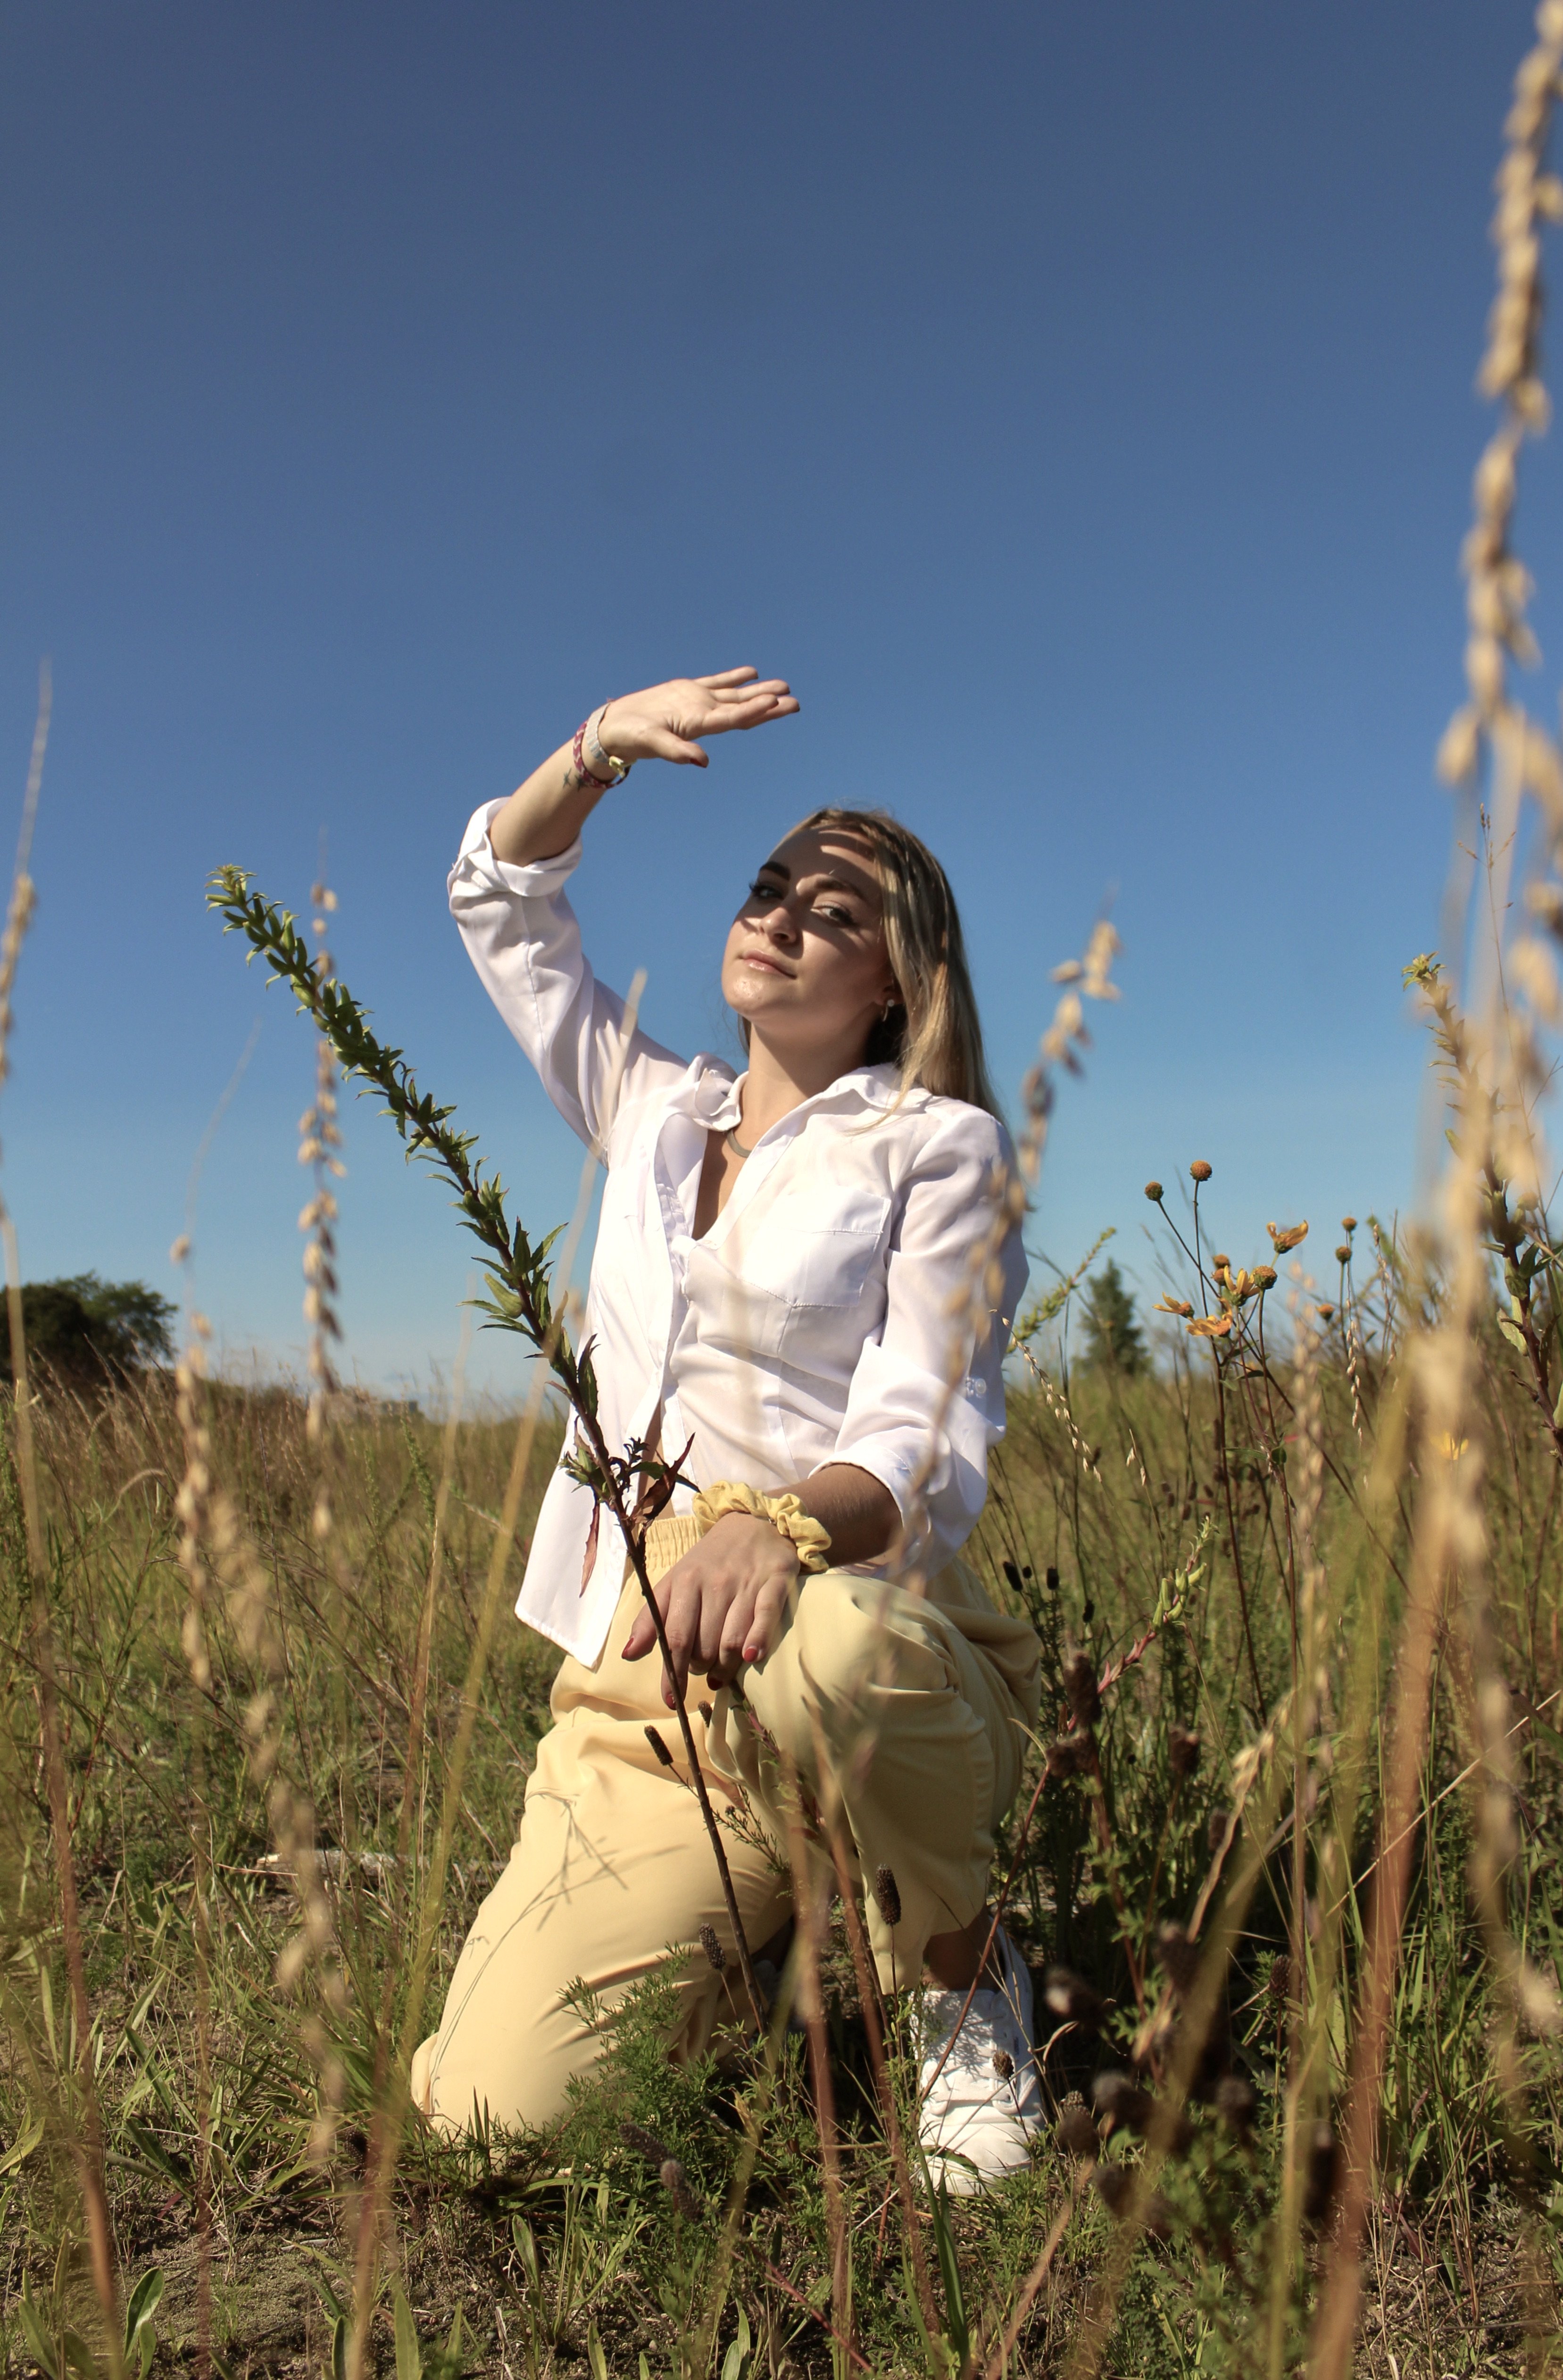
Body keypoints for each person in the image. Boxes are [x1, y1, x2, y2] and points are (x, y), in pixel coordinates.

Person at [412, 668, 1043, 2192]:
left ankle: (961, 1972)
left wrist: (782, 1526)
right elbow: (499, 901)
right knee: (489, 2121)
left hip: (855, 1637)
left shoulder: (933, 1147)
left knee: (827, 1647)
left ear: (894, 976)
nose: (775, 917)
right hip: (649, 1696)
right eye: (768, 888)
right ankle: (759, 1939)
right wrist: (591, 753)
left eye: (828, 912)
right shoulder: (645, 1111)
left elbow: (926, 1424)